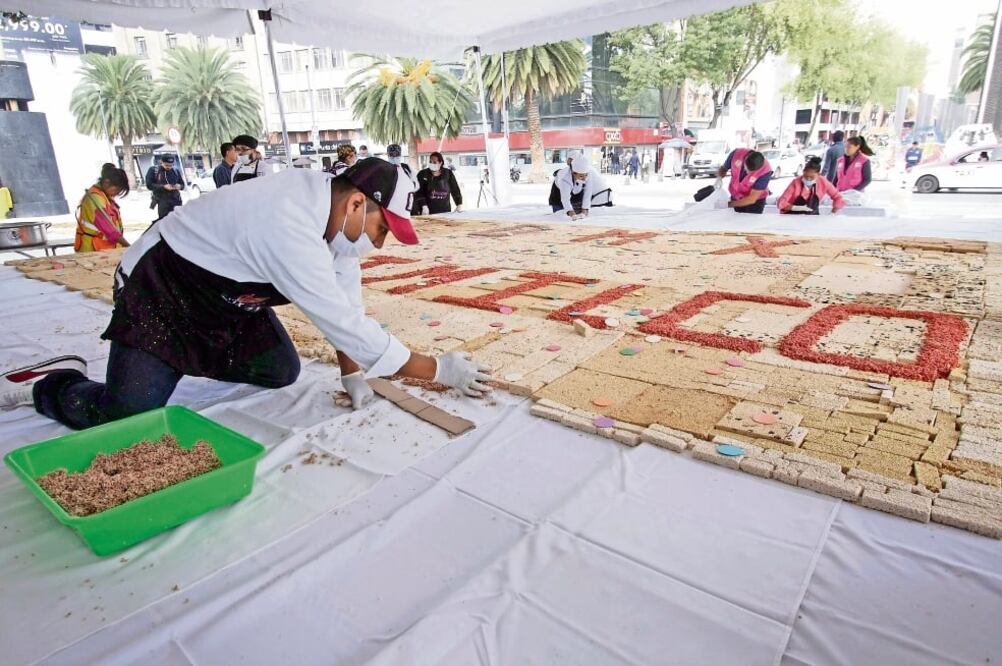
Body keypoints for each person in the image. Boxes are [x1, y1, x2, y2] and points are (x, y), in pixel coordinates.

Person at [2, 159, 493, 424]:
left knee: (280, 370)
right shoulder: (287, 223)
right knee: (124, 414)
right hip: (165, 294)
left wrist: (351, 375)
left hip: (227, 303)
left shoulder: (333, 220)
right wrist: (437, 371)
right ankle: (52, 385)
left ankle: (185, 359)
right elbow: (345, 324)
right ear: (358, 202)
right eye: (383, 229)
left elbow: (346, 305)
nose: (380, 243)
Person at [75, 163, 132, 252]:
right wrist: (130, 247)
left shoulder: (104, 195)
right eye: (117, 190)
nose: (116, 194)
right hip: (93, 250)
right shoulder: (95, 199)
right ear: (106, 182)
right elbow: (110, 231)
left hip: (105, 248)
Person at [548, 154, 612, 219]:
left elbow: (588, 193)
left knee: (580, 214)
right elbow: (565, 199)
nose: (584, 178)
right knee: (561, 215)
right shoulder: (564, 178)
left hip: (576, 193)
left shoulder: (587, 174)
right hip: (558, 196)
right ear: (573, 173)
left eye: (586, 175)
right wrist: (571, 213)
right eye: (581, 176)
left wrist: (585, 209)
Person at [777, 157, 844, 215]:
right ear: (803, 172)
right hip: (792, 216)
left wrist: (833, 213)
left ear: (818, 174)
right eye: (806, 176)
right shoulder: (795, 183)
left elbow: (838, 197)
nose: (808, 179)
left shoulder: (823, 182)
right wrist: (796, 208)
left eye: (811, 177)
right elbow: (781, 203)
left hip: (813, 218)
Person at [716, 148, 773, 214]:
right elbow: (724, 168)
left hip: (755, 202)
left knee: (750, 222)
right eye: (747, 169)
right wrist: (719, 177)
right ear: (745, 159)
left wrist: (727, 204)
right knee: (735, 220)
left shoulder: (765, 171)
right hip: (736, 196)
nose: (748, 173)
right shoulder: (736, 154)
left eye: (751, 171)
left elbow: (752, 199)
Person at [145, 154, 184, 220]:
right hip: (162, 200)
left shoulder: (175, 171)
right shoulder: (154, 170)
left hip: (176, 200)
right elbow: (149, 185)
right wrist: (163, 187)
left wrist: (179, 186)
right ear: (161, 162)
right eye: (166, 165)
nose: (169, 167)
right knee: (164, 220)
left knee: (177, 220)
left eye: (171, 165)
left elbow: (182, 185)